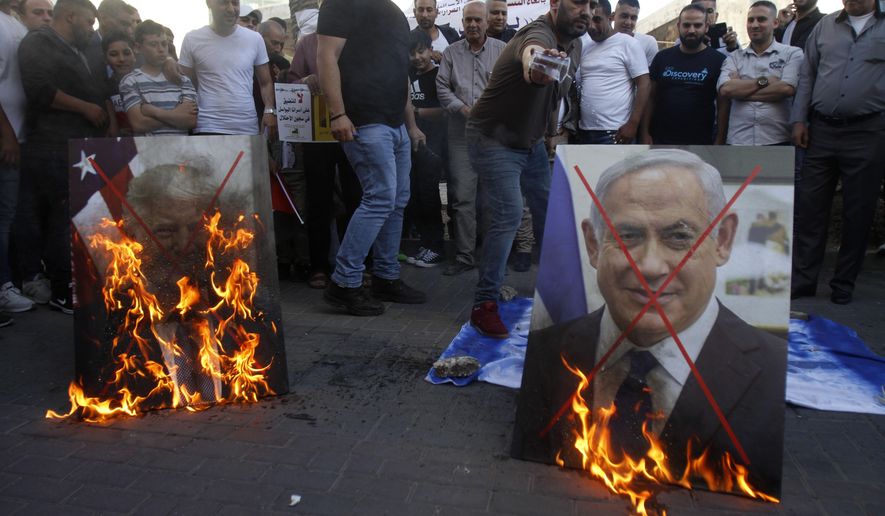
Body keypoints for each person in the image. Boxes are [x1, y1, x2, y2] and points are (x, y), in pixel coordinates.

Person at [512, 149, 787, 498]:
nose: (650, 267)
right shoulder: (545, 354)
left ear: (723, 240)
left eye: (679, 236)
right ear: (593, 244)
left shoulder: (772, 370)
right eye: (627, 235)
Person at [466, 0, 591, 338]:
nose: (586, 10)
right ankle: (483, 304)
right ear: (555, 4)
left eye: (591, 4)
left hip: (531, 142)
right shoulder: (538, 33)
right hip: (492, 138)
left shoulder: (576, 45)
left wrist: (547, 134)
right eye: (578, 2)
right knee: (508, 214)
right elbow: (532, 57)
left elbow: (554, 95)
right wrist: (537, 68)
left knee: (551, 210)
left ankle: (562, 291)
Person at [317, 0, 427, 316]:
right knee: (380, 198)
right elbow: (326, 56)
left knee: (397, 200)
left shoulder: (394, 12)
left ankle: (386, 276)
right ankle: (344, 283)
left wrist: (410, 124)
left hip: (395, 123)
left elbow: (401, 72)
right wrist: (337, 113)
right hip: (364, 119)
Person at [789, 0, 885, 305]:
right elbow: (808, 74)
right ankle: (803, 280)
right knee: (810, 208)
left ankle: (843, 283)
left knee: (858, 211)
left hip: (868, 131)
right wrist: (799, 119)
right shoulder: (825, 26)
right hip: (821, 131)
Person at [17, 0, 107, 313]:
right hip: (53, 143)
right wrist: (85, 108)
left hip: (78, 144)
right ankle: (62, 287)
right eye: (89, 21)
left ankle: (76, 281)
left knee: (75, 212)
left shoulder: (78, 48)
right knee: (61, 214)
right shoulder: (38, 42)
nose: (92, 28)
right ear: (70, 16)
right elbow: (40, 89)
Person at [287, 29, 362, 290]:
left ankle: (358, 264)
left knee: (355, 197)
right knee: (318, 199)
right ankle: (319, 265)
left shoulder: (355, 38)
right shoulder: (307, 42)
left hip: (353, 128)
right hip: (316, 134)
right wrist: (305, 81)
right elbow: (291, 81)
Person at [436, 0, 506, 276]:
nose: (473, 25)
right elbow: (442, 87)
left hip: (493, 136)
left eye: (478, 20)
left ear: (487, 22)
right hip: (460, 136)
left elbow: (510, 87)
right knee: (463, 198)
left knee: (492, 199)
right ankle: (465, 256)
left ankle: (492, 258)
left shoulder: (502, 51)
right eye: (468, 20)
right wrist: (463, 109)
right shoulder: (451, 53)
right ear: (462, 22)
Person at [178, 0, 276, 138]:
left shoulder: (255, 39)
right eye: (224, 2)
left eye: (235, 3)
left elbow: (265, 83)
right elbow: (186, 85)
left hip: (247, 127)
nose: (231, 9)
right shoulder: (192, 39)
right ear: (209, 3)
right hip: (207, 126)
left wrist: (269, 110)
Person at [717, 1, 804, 146]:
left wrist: (740, 92)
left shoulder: (792, 54)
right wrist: (765, 81)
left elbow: (786, 89)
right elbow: (725, 90)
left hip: (777, 140)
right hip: (739, 140)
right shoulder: (734, 57)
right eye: (750, 20)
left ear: (775, 23)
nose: (754, 25)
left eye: (761, 19)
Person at [641, 3, 726, 145]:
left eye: (697, 25)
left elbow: (723, 105)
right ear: (678, 26)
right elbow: (650, 98)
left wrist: (720, 140)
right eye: (686, 25)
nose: (691, 30)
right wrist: (644, 133)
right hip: (660, 141)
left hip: (701, 143)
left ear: (706, 27)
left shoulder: (718, 60)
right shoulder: (662, 58)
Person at [572, 0, 649, 145]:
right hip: (584, 131)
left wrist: (633, 124)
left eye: (597, 20)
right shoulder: (584, 46)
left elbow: (644, 84)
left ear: (610, 17)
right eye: (589, 20)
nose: (592, 26)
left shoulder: (628, 43)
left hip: (616, 132)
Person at [0, 0, 36, 315]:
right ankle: (3, 287)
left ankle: (16, 280)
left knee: (13, 218)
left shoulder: (14, 22)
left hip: (21, 137)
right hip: (6, 140)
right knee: (4, 217)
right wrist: (7, 134)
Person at [405, 31, 446, 268]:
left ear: (431, 50)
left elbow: (445, 109)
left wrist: (415, 111)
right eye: (412, 53)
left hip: (434, 146)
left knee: (430, 196)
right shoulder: (407, 75)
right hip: (410, 146)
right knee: (415, 196)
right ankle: (425, 243)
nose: (417, 57)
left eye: (421, 51)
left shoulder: (439, 75)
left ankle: (436, 248)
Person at [120, 20, 197, 136]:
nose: (161, 49)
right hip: (147, 147)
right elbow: (138, 124)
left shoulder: (182, 80)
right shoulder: (130, 81)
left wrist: (154, 112)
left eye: (164, 44)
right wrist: (176, 115)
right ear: (137, 48)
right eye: (153, 44)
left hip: (180, 147)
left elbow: (190, 121)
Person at [84, 0, 137, 79]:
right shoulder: (83, 48)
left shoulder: (136, 51)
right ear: (103, 18)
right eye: (123, 23)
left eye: (129, 25)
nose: (129, 30)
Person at [102, 30, 135, 137]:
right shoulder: (104, 88)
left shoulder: (147, 82)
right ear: (105, 59)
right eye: (114, 54)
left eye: (126, 53)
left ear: (134, 54)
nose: (121, 59)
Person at [611, 0, 657, 65]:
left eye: (633, 18)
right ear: (613, 16)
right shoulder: (601, 42)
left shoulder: (648, 43)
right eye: (624, 16)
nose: (628, 22)